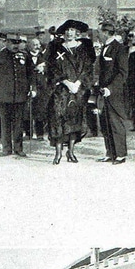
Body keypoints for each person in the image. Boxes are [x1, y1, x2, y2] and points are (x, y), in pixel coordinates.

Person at [45, 19, 95, 164]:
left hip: (78, 90)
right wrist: (66, 82)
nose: (69, 33)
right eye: (67, 30)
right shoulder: (57, 48)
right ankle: (58, 153)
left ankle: (71, 152)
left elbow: (87, 69)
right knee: (58, 119)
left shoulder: (83, 49)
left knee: (75, 120)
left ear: (77, 32)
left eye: (72, 30)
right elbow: (52, 68)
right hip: (61, 90)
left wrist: (78, 83)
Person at [0, 32, 36, 157]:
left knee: (19, 122)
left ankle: (18, 148)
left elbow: (31, 74)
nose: (15, 45)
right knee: (5, 122)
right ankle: (6, 148)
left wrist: (33, 88)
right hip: (3, 95)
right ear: (6, 42)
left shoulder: (25, 56)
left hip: (20, 94)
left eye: (17, 43)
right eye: (13, 42)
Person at [95, 21, 129, 164]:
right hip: (103, 92)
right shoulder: (104, 47)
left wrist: (111, 88)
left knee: (116, 123)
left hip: (113, 93)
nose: (97, 35)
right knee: (105, 123)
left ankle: (120, 155)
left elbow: (122, 73)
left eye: (99, 32)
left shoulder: (119, 48)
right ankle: (110, 152)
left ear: (105, 32)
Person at [24, 37, 49, 141]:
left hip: (41, 88)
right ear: (29, 46)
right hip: (27, 87)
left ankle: (39, 134)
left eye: (38, 44)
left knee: (40, 111)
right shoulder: (25, 57)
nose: (37, 47)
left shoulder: (44, 57)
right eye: (35, 45)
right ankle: (28, 133)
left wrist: (44, 68)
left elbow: (51, 68)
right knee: (27, 111)